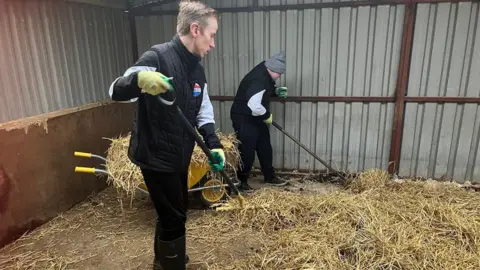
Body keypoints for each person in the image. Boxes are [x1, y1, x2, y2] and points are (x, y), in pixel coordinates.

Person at [108, 1, 224, 269]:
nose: (213, 43)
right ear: (195, 29)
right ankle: (172, 264)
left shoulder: (196, 68)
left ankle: (165, 260)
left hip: (179, 154)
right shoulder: (157, 57)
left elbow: (203, 109)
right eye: (212, 34)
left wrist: (214, 145)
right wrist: (138, 81)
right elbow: (115, 91)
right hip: (156, 154)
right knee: (174, 217)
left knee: (173, 211)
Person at [230, 52, 289, 192]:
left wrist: (275, 91)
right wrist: (267, 115)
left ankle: (269, 176)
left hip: (256, 117)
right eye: (279, 73)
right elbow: (253, 104)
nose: (280, 76)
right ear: (272, 69)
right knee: (247, 150)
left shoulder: (265, 75)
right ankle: (242, 181)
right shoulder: (258, 78)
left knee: (265, 147)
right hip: (244, 117)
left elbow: (262, 91)